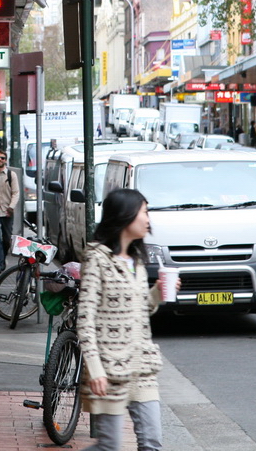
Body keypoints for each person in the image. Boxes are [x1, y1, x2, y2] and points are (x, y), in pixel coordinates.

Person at [78, 188, 171, 451]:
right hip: (110, 368)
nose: (148, 219)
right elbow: (85, 319)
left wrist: (157, 293)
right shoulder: (97, 257)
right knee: (110, 447)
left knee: (152, 442)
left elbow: (141, 310)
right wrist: (95, 369)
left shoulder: (137, 261)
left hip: (142, 366)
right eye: (144, 212)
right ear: (126, 215)